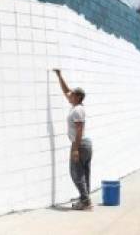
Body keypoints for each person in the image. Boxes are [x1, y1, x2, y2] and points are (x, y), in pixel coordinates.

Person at [54, 68, 92, 210]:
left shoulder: (77, 110)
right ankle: (85, 199)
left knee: (75, 172)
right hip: (84, 144)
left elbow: (79, 129)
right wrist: (59, 76)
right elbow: (66, 91)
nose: (69, 96)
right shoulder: (77, 106)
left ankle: (85, 201)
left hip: (80, 144)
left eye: (72, 95)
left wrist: (75, 149)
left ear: (77, 97)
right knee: (84, 172)